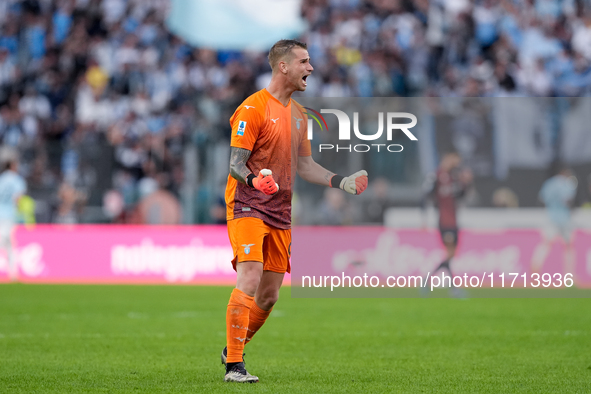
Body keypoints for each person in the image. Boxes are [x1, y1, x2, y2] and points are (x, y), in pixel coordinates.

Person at [222, 39, 368, 383]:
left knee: (270, 296)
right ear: (283, 66)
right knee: (251, 276)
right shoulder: (252, 108)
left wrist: (341, 181)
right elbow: (234, 164)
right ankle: (235, 366)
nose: (311, 68)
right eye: (304, 61)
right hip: (247, 204)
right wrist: (255, 181)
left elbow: (306, 166)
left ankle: (233, 347)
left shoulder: (300, 115)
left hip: (280, 211)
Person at [422, 152, 472, 294]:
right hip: (445, 221)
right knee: (450, 253)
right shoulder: (436, 176)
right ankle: (452, 288)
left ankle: (429, 280)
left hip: (453, 220)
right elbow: (426, 195)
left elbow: (460, 196)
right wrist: (425, 216)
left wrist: (465, 184)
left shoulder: (454, 178)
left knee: (451, 254)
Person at [531, 166, 577, 276]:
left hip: (550, 217)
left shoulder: (549, 183)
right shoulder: (568, 183)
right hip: (564, 218)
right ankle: (569, 274)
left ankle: (535, 267)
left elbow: (542, 199)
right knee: (568, 246)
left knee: (546, 243)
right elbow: (568, 200)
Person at [0, 150, 27, 281]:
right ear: (12, 165)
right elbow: (18, 198)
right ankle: (13, 274)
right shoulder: (17, 180)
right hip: (8, 215)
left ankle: (12, 274)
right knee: (9, 245)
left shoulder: (2, 178)